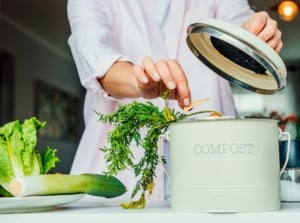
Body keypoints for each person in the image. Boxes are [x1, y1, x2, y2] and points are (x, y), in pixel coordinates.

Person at [67, 0, 283, 204]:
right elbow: (95, 56)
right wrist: (140, 80)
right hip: (120, 177)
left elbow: (240, 25)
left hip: (215, 173)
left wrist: (257, 35)